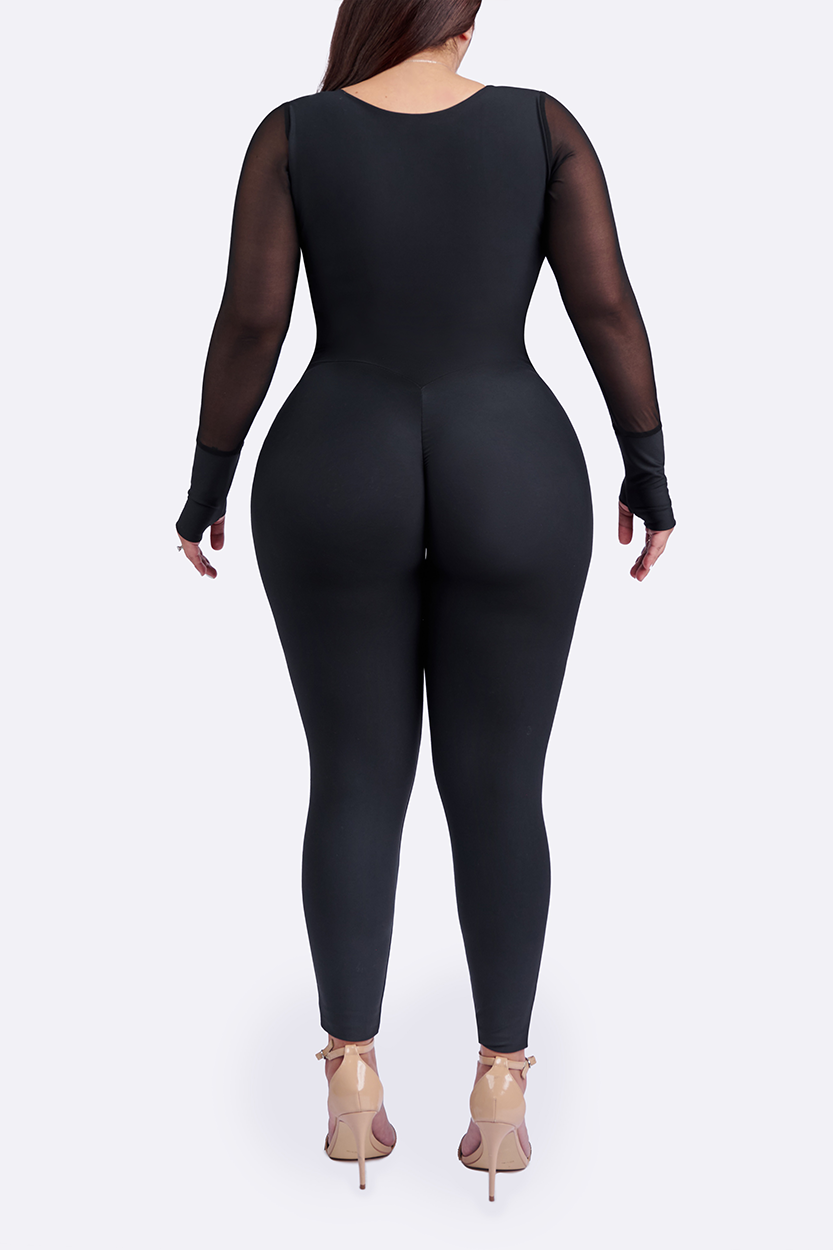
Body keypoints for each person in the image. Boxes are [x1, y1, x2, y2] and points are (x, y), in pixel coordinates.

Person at [174, 0, 676, 1201]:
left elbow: (253, 319)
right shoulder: (541, 128)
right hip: (512, 462)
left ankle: (351, 1076)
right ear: (463, 18)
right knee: (499, 785)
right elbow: (604, 306)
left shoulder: (292, 134)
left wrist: (205, 482)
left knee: (352, 775)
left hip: (331, 462)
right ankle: (500, 1089)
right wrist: (647, 469)